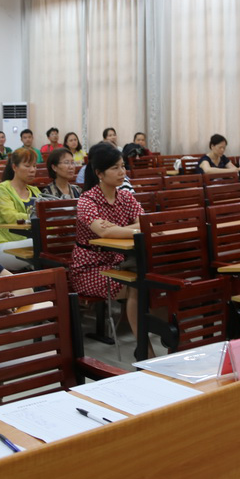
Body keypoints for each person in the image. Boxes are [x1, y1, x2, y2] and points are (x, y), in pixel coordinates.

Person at [69, 144, 144, 338]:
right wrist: (133, 229)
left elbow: (145, 223)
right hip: (90, 268)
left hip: (119, 262)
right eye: (115, 168)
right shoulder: (87, 200)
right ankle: (144, 348)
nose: (122, 172)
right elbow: (103, 232)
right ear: (99, 174)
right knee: (138, 286)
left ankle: (157, 342)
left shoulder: (126, 197)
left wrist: (119, 229)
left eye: (123, 166)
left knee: (152, 282)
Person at [0, 147, 41, 271]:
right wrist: (38, 218)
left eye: (34, 166)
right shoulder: (2, 190)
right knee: (43, 244)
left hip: (29, 242)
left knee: (52, 243)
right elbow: (11, 217)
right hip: (2, 246)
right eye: (27, 166)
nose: (32, 170)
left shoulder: (35, 191)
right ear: (14, 167)